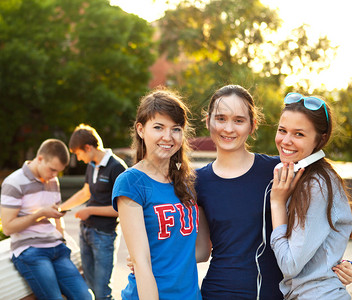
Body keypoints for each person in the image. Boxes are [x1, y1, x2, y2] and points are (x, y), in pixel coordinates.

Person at [195, 84, 283, 299]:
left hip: (269, 293)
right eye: (221, 118)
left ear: (252, 125)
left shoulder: (277, 170)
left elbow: (318, 224)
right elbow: (201, 251)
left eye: (239, 120)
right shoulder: (197, 181)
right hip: (216, 292)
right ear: (208, 121)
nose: (228, 128)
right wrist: (151, 256)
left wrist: (343, 261)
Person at [112, 89, 202, 299]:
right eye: (158, 127)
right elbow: (141, 264)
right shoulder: (130, 182)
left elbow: (200, 250)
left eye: (176, 129)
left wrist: (164, 257)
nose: (168, 137)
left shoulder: (187, 180)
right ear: (141, 130)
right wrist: (141, 258)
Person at [269, 92, 352, 299]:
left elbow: (290, 264)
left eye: (299, 134)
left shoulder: (317, 185)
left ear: (320, 139)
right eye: (282, 130)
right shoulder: (296, 175)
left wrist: (277, 203)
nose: (286, 141)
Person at [0, 139, 92, 300]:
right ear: (40, 159)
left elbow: (55, 217)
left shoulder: (52, 181)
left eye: (58, 172)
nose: (54, 175)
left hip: (57, 248)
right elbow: (7, 228)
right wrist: (40, 214)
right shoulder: (13, 183)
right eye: (52, 170)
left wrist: (62, 237)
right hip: (31, 250)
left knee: (86, 297)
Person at [59, 124, 127, 300]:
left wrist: (89, 210)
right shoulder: (92, 165)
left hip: (104, 235)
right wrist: (61, 208)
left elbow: (122, 209)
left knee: (102, 290)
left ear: (88, 148)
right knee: (88, 287)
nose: (79, 159)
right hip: (85, 232)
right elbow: (85, 192)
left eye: (78, 154)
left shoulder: (117, 168)